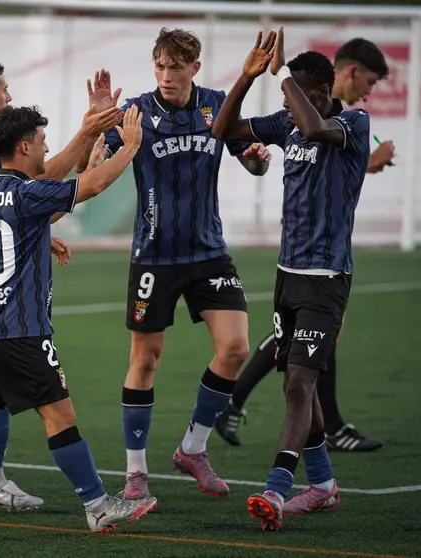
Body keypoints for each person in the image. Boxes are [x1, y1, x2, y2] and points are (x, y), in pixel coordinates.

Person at [0, 104, 157, 532]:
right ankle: (97, 505)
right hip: (21, 330)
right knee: (60, 417)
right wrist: (128, 148)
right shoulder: (27, 191)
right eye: (41, 139)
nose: (47, 146)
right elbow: (87, 189)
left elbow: (46, 212)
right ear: (24, 146)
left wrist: (89, 165)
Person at [74, 27, 272, 501]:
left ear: (194, 68)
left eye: (176, 66)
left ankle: (193, 448)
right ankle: (136, 473)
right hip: (154, 256)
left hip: (209, 251)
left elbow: (251, 161)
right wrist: (97, 124)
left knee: (236, 348)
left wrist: (259, 159)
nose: (166, 75)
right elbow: (85, 171)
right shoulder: (136, 111)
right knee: (145, 360)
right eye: (159, 66)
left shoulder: (217, 106)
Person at [213, 28, 371, 530]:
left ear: (325, 91)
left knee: (302, 384)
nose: (297, 100)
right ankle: (323, 485)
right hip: (287, 276)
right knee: (293, 386)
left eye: (306, 91)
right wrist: (249, 75)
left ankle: (277, 491)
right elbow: (223, 130)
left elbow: (317, 129)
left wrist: (283, 77)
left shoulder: (353, 122)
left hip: (327, 279)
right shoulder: (287, 122)